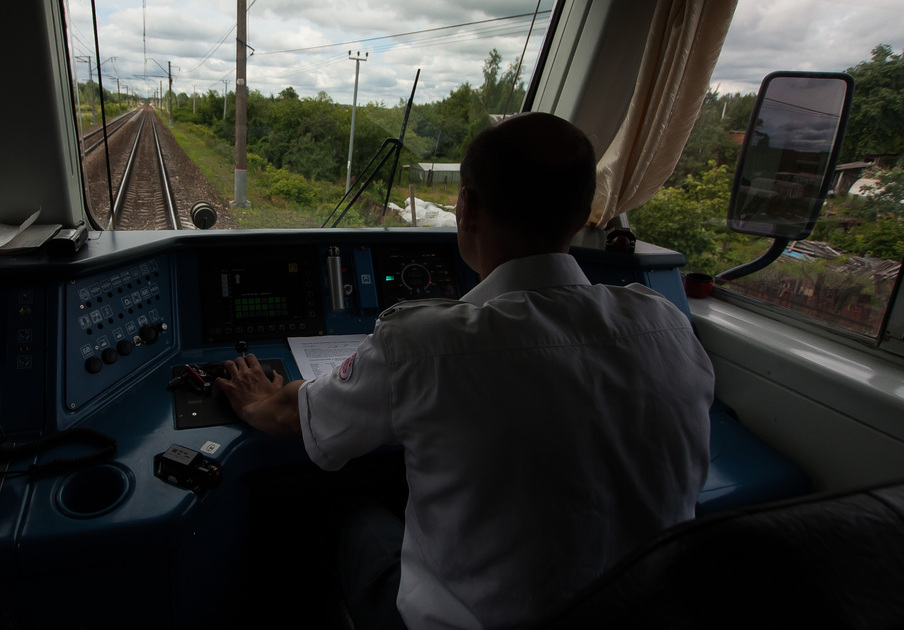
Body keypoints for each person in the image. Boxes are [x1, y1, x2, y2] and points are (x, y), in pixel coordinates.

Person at [215, 112, 713, 629]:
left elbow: (297, 420)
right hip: (640, 611)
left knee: (340, 509)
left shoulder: (425, 344)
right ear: (584, 210)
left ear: (468, 208)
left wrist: (258, 398)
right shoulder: (668, 323)